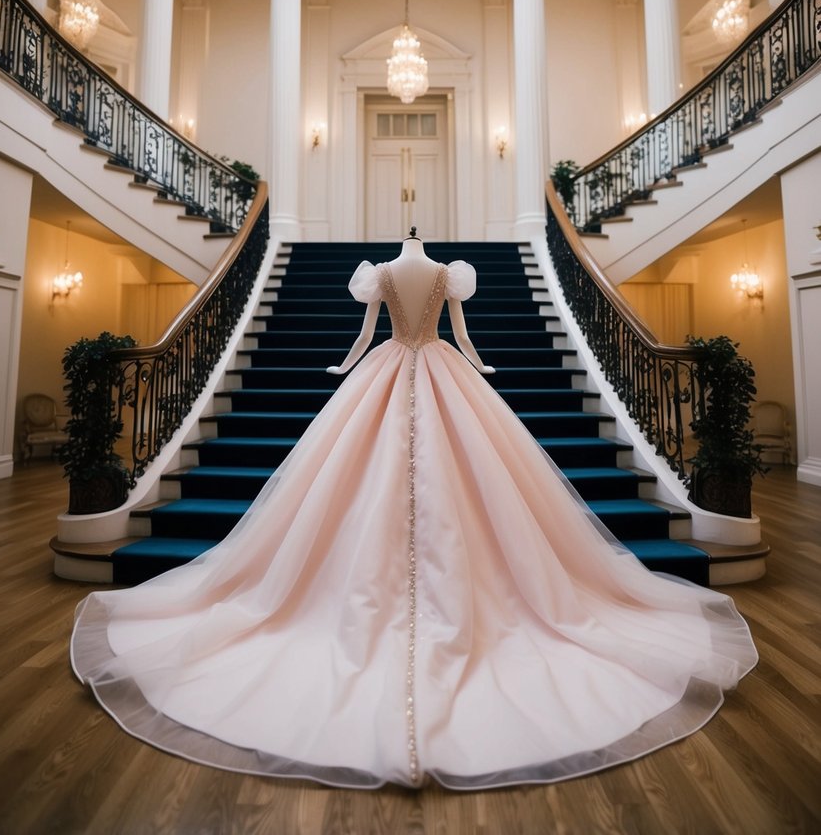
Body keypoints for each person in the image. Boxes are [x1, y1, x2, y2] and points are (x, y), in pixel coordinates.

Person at [70, 231, 757, 790]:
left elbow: (375, 333)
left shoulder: (397, 274)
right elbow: (452, 331)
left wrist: (354, 368)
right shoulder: (434, 274)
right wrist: (473, 367)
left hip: (397, 367)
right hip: (434, 368)